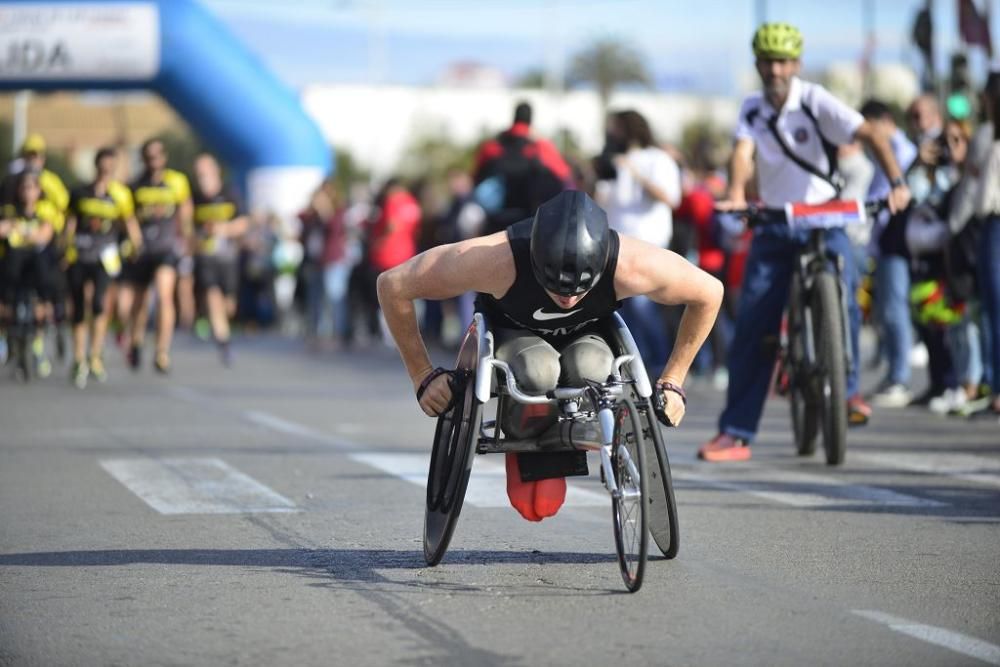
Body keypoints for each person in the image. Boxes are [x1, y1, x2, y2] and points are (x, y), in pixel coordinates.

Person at [376, 190, 722, 521]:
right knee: (538, 369)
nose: (568, 300)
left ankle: (576, 427)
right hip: (517, 339)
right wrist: (422, 375)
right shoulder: (492, 259)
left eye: (579, 289)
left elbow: (710, 292)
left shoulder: (631, 264)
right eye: (555, 287)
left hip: (589, 339)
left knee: (593, 366)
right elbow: (393, 285)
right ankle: (528, 431)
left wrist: (674, 380)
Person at [698, 23, 911, 462]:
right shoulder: (753, 109)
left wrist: (897, 182)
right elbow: (743, 152)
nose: (776, 69)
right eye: (768, 61)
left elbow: (872, 134)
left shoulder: (815, 100)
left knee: (845, 292)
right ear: (758, 65)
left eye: (784, 61)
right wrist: (738, 193)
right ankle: (735, 433)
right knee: (754, 322)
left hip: (823, 219)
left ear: (795, 64)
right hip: (775, 222)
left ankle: (848, 393)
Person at [596, 109, 682, 375]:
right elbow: (601, 201)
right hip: (617, 246)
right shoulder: (614, 162)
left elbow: (671, 198)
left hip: (649, 246)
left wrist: (635, 173)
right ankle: (635, 368)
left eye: (617, 128)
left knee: (646, 309)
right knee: (624, 312)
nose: (612, 134)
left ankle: (661, 364)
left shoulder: (657, 159)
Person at [64, 147, 142, 388]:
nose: (106, 170)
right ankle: (78, 358)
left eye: (111, 166)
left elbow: (128, 222)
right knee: (79, 307)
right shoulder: (80, 193)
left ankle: (95, 355)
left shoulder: (120, 194)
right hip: (80, 254)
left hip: (104, 257)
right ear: (97, 166)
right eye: (103, 166)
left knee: (99, 304)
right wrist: (64, 248)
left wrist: (135, 245)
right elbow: (71, 223)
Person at [860, 99, 918, 408]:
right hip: (884, 242)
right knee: (887, 310)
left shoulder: (903, 152)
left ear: (884, 121)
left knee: (896, 310)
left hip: (896, 241)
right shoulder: (888, 151)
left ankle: (900, 377)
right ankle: (894, 374)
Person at [118, 138, 192, 374]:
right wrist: (134, 240)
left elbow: (185, 210)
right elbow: (128, 217)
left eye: (157, 156)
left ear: (164, 157)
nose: (154, 161)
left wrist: (186, 238)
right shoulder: (136, 185)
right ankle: (137, 340)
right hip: (142, 250)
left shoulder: (176, 182)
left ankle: (162, 351)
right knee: (139, 302)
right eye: (149, 157)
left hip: (166, 249)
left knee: (164, 295)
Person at [472, 101, 574, 235]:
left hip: (495, 221)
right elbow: (566, 179)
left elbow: (475, 177)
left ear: (514, 116)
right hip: (529, 223)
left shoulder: (492, 146)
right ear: (531, 119)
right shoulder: (541, 147)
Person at [191, 153, 247, 366]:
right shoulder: (195, 198)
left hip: (228, 257)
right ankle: (223, 343)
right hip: (206, 257)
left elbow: (243, 223)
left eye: (205, 173)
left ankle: (223, 327)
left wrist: (223, 229)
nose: (202, 178)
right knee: (212, 296)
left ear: (215, 172)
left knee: (229, 305)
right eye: (199, 174)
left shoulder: (230, 193)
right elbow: (188, 226)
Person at [0, 170, 56, 375]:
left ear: (38, 191)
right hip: (13, 264)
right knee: (6, 286)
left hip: (35, 265)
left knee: (44, 276)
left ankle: (38, 339)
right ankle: (5, 335)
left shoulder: (45, 211)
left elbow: (44, 236)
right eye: (24, 187)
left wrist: (20, 230)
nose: (27, 192)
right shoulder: (9, 211)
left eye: (31, 187)